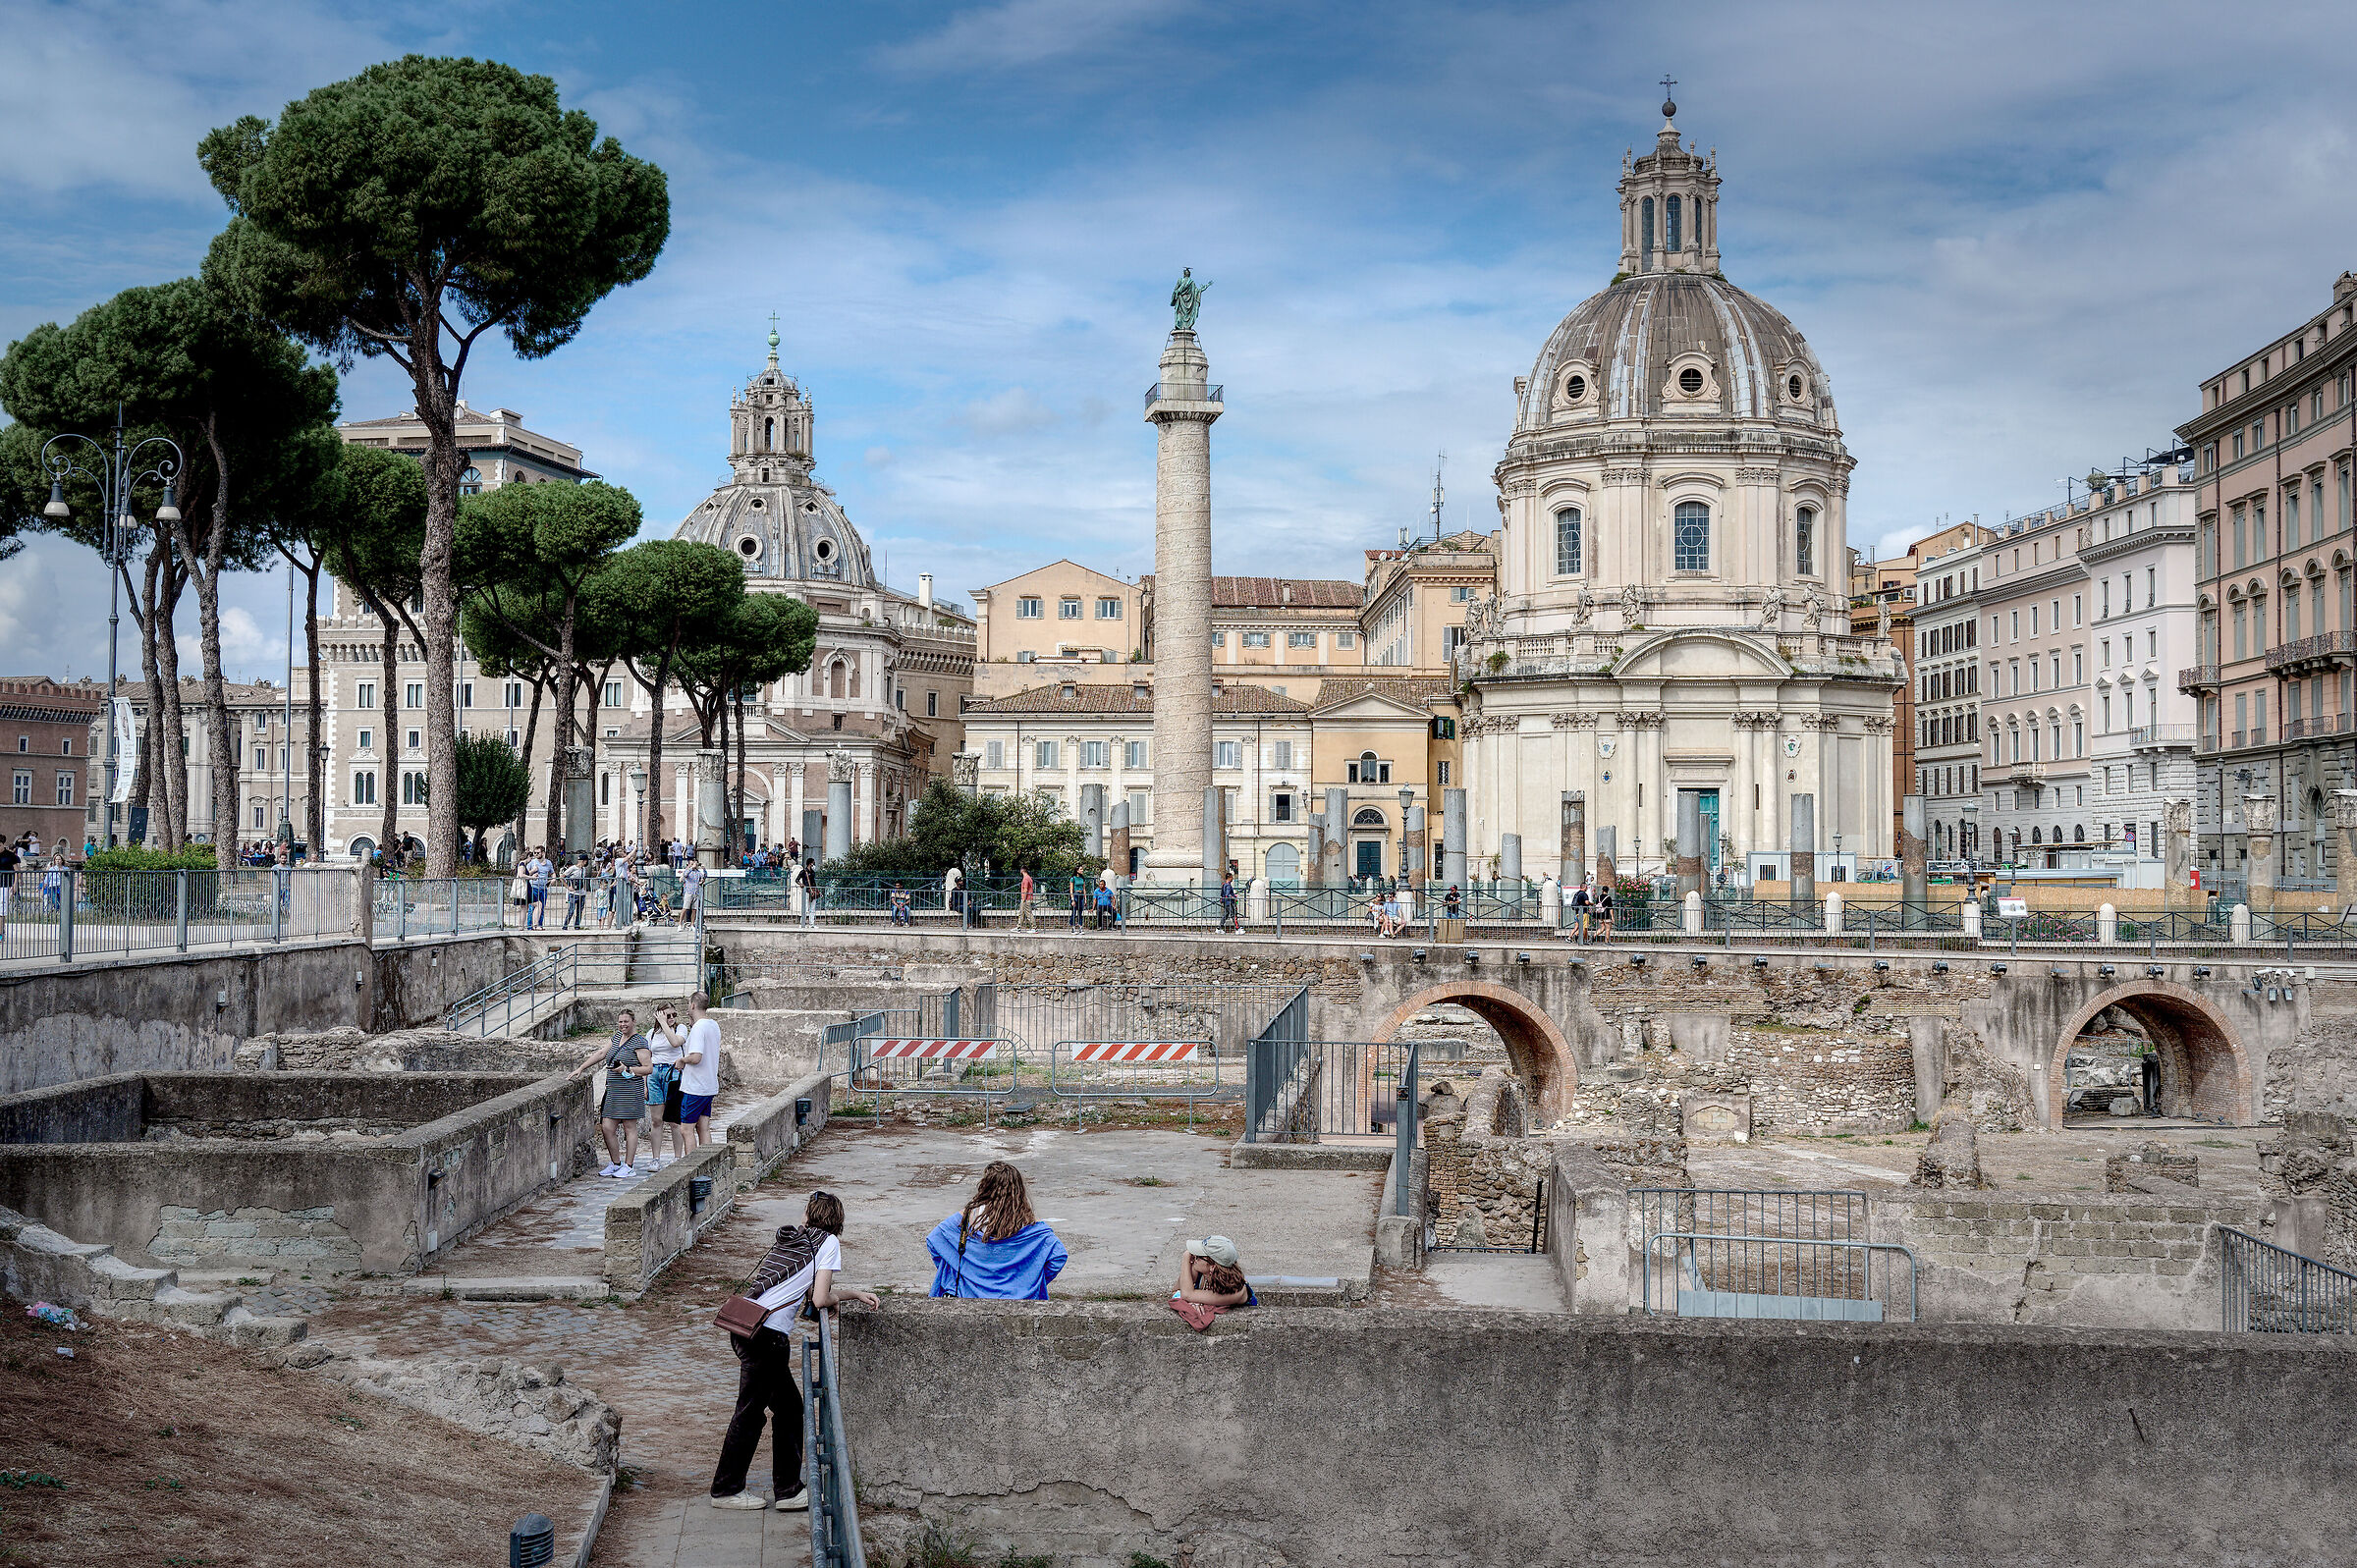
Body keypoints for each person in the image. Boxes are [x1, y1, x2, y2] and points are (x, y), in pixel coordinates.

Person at [709, 1190, 878, 1512]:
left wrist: (852, 1294)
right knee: (751, 1413)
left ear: (808, 1216)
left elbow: (810, 1289)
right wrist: (845, 1297)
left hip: (748, 1327)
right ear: (837, 1222)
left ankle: (787, 1491)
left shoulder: (796, 1240)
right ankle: (728, 1489)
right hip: (767, 1337)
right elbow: (820, 1298)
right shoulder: (828, 1242)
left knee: (788, 1409)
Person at [926, 1161, 1068, 1299]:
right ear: (1019, 1191)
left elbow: (935, 1241)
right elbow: (1058, 1257)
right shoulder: (1031, 1225)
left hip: (968, 1297)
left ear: (984, 1187)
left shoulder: (967, 1217)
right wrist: (1030, 1280)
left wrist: (963, 1273)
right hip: (1020, 1298)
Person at [573, 1009, 652, 1177]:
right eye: (620, 1021)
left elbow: (648, 1068)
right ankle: (616, 1163)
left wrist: (627, 1068)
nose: (623, 1024)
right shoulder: (616, 1037)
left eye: (626, 1021)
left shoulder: (639, 1042)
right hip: (613, 1090)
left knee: (629, 1127)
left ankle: (629, 1166)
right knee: (607, 1127)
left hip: (630, 1090)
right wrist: (581, 1068)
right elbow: (602, 1053)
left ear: (633, 1022)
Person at [1169, 1234, 1256, 1330]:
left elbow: (1186, 1295)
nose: (1194, 1258)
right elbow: (1176, 1290)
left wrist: (1186, 1256)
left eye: (1199, 1256)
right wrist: (1193, 1300)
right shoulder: (1199, 1270)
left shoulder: (1236, 1292)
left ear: (1212, 1266)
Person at [643, 1001, 692, 1166]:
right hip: (655, 1073)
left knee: (674, 1120)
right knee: (656, 1120)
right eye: (667, 1015)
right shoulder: (651, 1034)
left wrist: (664, 1023)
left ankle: (677, 1157)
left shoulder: (680, 1029)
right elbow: (647, 1059)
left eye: (673, 1015)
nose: (671, 1018)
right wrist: (645, 1084)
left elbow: (675, 1043)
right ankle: (655, 1159)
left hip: (673, 1073)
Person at [675, 991, 724, 1151]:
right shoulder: (713, 1025)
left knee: (686, 1129)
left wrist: (682, 1060)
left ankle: (692, 1163)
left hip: (695, 1087)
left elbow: (696, 1057)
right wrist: (692, 1021)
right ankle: (707, 1162)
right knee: (703, 1128)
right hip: (709, 1085)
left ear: (693, 1005)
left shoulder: (698, 1028)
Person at [561, 852, 589, 930]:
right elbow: (562, 876)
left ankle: (577, 925)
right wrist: (568, 887)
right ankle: (565, 925)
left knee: (579, 911)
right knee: (571, 911)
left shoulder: (584, 869)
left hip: (582, 893)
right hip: (573, 893)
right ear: (583, 861)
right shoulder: (572, 868)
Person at [524, 847, 552, 929]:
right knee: (532, 907)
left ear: (543, 853)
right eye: (535, 853)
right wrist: (533, 871)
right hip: (534, 887)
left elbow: (552, 873)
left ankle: (539, 925)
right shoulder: (532, 862)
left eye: (538, 853)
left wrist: (553, 879)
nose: (536, 854)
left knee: (542, 907)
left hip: (543, 888)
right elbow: (525, 873)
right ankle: (530, 926)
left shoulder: (548, 863)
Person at [682, 860, 707, 926]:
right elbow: (685, 875)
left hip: (695, 893)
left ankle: (692, 924)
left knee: (694, 909)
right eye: (692, 864)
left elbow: (704, 877)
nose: (694, 865)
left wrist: (704, 869)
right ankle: (680, 924)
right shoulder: (688, 871)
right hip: (688, 892)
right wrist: (691, 868)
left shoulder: (698, 872)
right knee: (685, 908)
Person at [797, 858, 820, 929]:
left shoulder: (812, 872)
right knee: (805, 908)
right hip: (806, 891)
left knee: (812, 908)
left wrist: (817, 890)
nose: (814, 864)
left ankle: (811, 924)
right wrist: (801, 884)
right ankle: (802, 923)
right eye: (813, 863)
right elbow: (797, 880)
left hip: (813, 891)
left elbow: (813, 882)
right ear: (810, 863)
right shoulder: (803, 872)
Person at [1016, 865, 1036, 932]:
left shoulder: (1026, 878)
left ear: (1022, 870)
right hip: (1026, 898)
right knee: (1021, 913)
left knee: (1028, 914)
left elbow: (1025, 889)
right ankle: (1018, 927)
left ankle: (1034, 928)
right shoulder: (1028, 878)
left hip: (1026, 899)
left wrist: (1024, 899)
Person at [1219, 869, 1238, 934]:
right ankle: (1237, 928)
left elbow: (1222, 894)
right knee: (1233, 915)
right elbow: (1228, 894)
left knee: (1226, 915)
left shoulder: (1224, 884)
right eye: (1232, 877)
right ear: (1229, 877)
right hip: (1229, 902)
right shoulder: (1228, 885)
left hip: (1225, 902)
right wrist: (1234, 898)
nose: (1232, 878)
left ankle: (1219, 928)